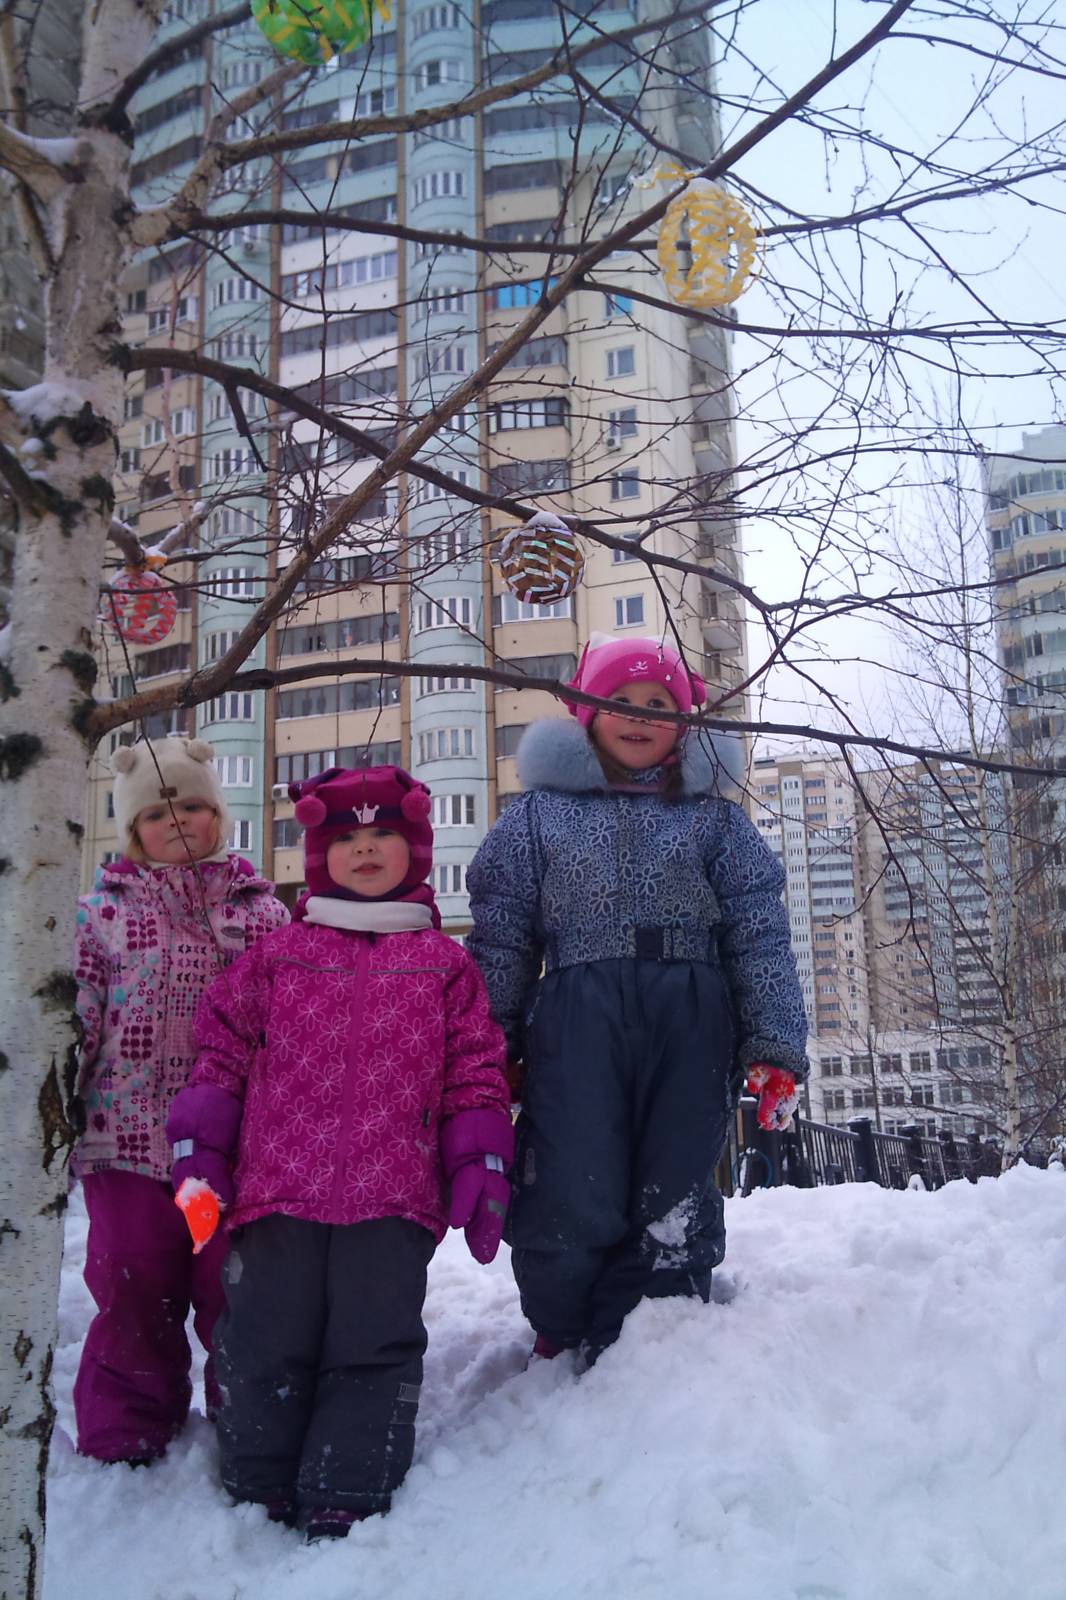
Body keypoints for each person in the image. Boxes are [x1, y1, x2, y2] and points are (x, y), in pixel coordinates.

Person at [167, 765, 513, 1539]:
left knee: (373, 1343)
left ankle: (347, 1484)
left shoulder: (445, 965)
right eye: (346, 837)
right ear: (320, 856)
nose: (364, 849)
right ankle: (258, 1479)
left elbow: (475, 1071)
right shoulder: (278, 956)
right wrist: (202, 1151)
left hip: (393, 1200)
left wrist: (480, 1161)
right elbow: (221, 1052)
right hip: (277, 1193)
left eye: (383, 833)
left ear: (415, 849)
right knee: (263, 1339)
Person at [467, 632, 808, 1366]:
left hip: (691, 1017)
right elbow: (501, 936)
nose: (639, 714)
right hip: (575, 1018)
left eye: (658, 702)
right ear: (584, 714)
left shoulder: (714, 820)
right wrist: (492, 1045)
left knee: (677, 1172)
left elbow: (758, 932)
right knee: (571, 1168)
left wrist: (774, 1045)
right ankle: (564, 1317)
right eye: (619, 699)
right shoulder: (537, 817)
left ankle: (657, 1324)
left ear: (683, 723)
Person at [72, 735, 289, 1465]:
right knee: (133, 1282)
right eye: (156, 813)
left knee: (231, 1284)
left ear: (218, 816)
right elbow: (76, 1016)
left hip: (229, 1154)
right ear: (134, 830)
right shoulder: (100, 915)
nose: (177, 821)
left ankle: (247, 1415)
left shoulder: (261, 915)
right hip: (126, 1142)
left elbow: (289, 1021)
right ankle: (126, 1425)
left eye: (192, 806)